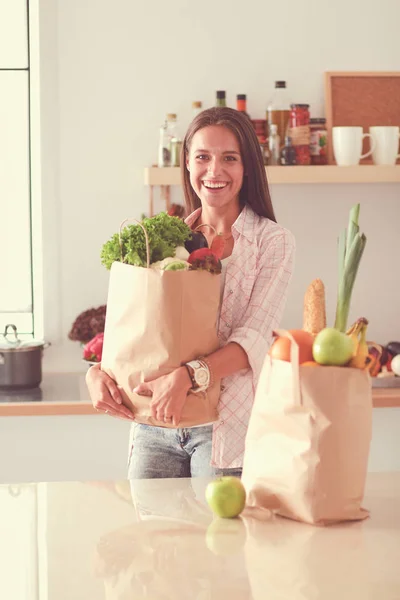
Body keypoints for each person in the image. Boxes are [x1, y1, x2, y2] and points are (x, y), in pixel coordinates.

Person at [86, 107, 295, 479]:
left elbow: (255, 338)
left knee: (221, 538)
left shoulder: (272, 242)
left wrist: (187, 376)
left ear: (247, 167)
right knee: (153, 536)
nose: (214, 171)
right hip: (154, 425)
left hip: (226, 426)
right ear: (186, 164)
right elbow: (136, 327)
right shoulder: (163, 238)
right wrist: (96, 373)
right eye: (202, 157)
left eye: (229, 158)